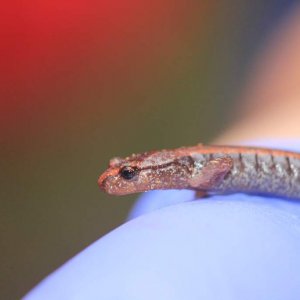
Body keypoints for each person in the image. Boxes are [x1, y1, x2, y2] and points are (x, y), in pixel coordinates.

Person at [24, 6, 300, 300]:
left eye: (128, 174)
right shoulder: (184, 169)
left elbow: (223, 162)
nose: (111, 179)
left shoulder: (196, 168)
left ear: (160, 169)